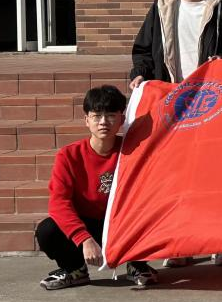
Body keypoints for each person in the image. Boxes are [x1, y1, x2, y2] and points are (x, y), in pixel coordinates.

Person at [37, 85, 155, 290]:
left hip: (124, 224)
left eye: (111, 115)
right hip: (89, 225)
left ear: (121, 119)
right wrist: (84, 239)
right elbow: (59, 203)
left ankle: (137, 265)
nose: (103, 122)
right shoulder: (69, 156)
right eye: (96, 116)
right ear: (87, 120)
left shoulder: (134, 152)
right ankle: (75, 269)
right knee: (47, 230)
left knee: (153, 213)